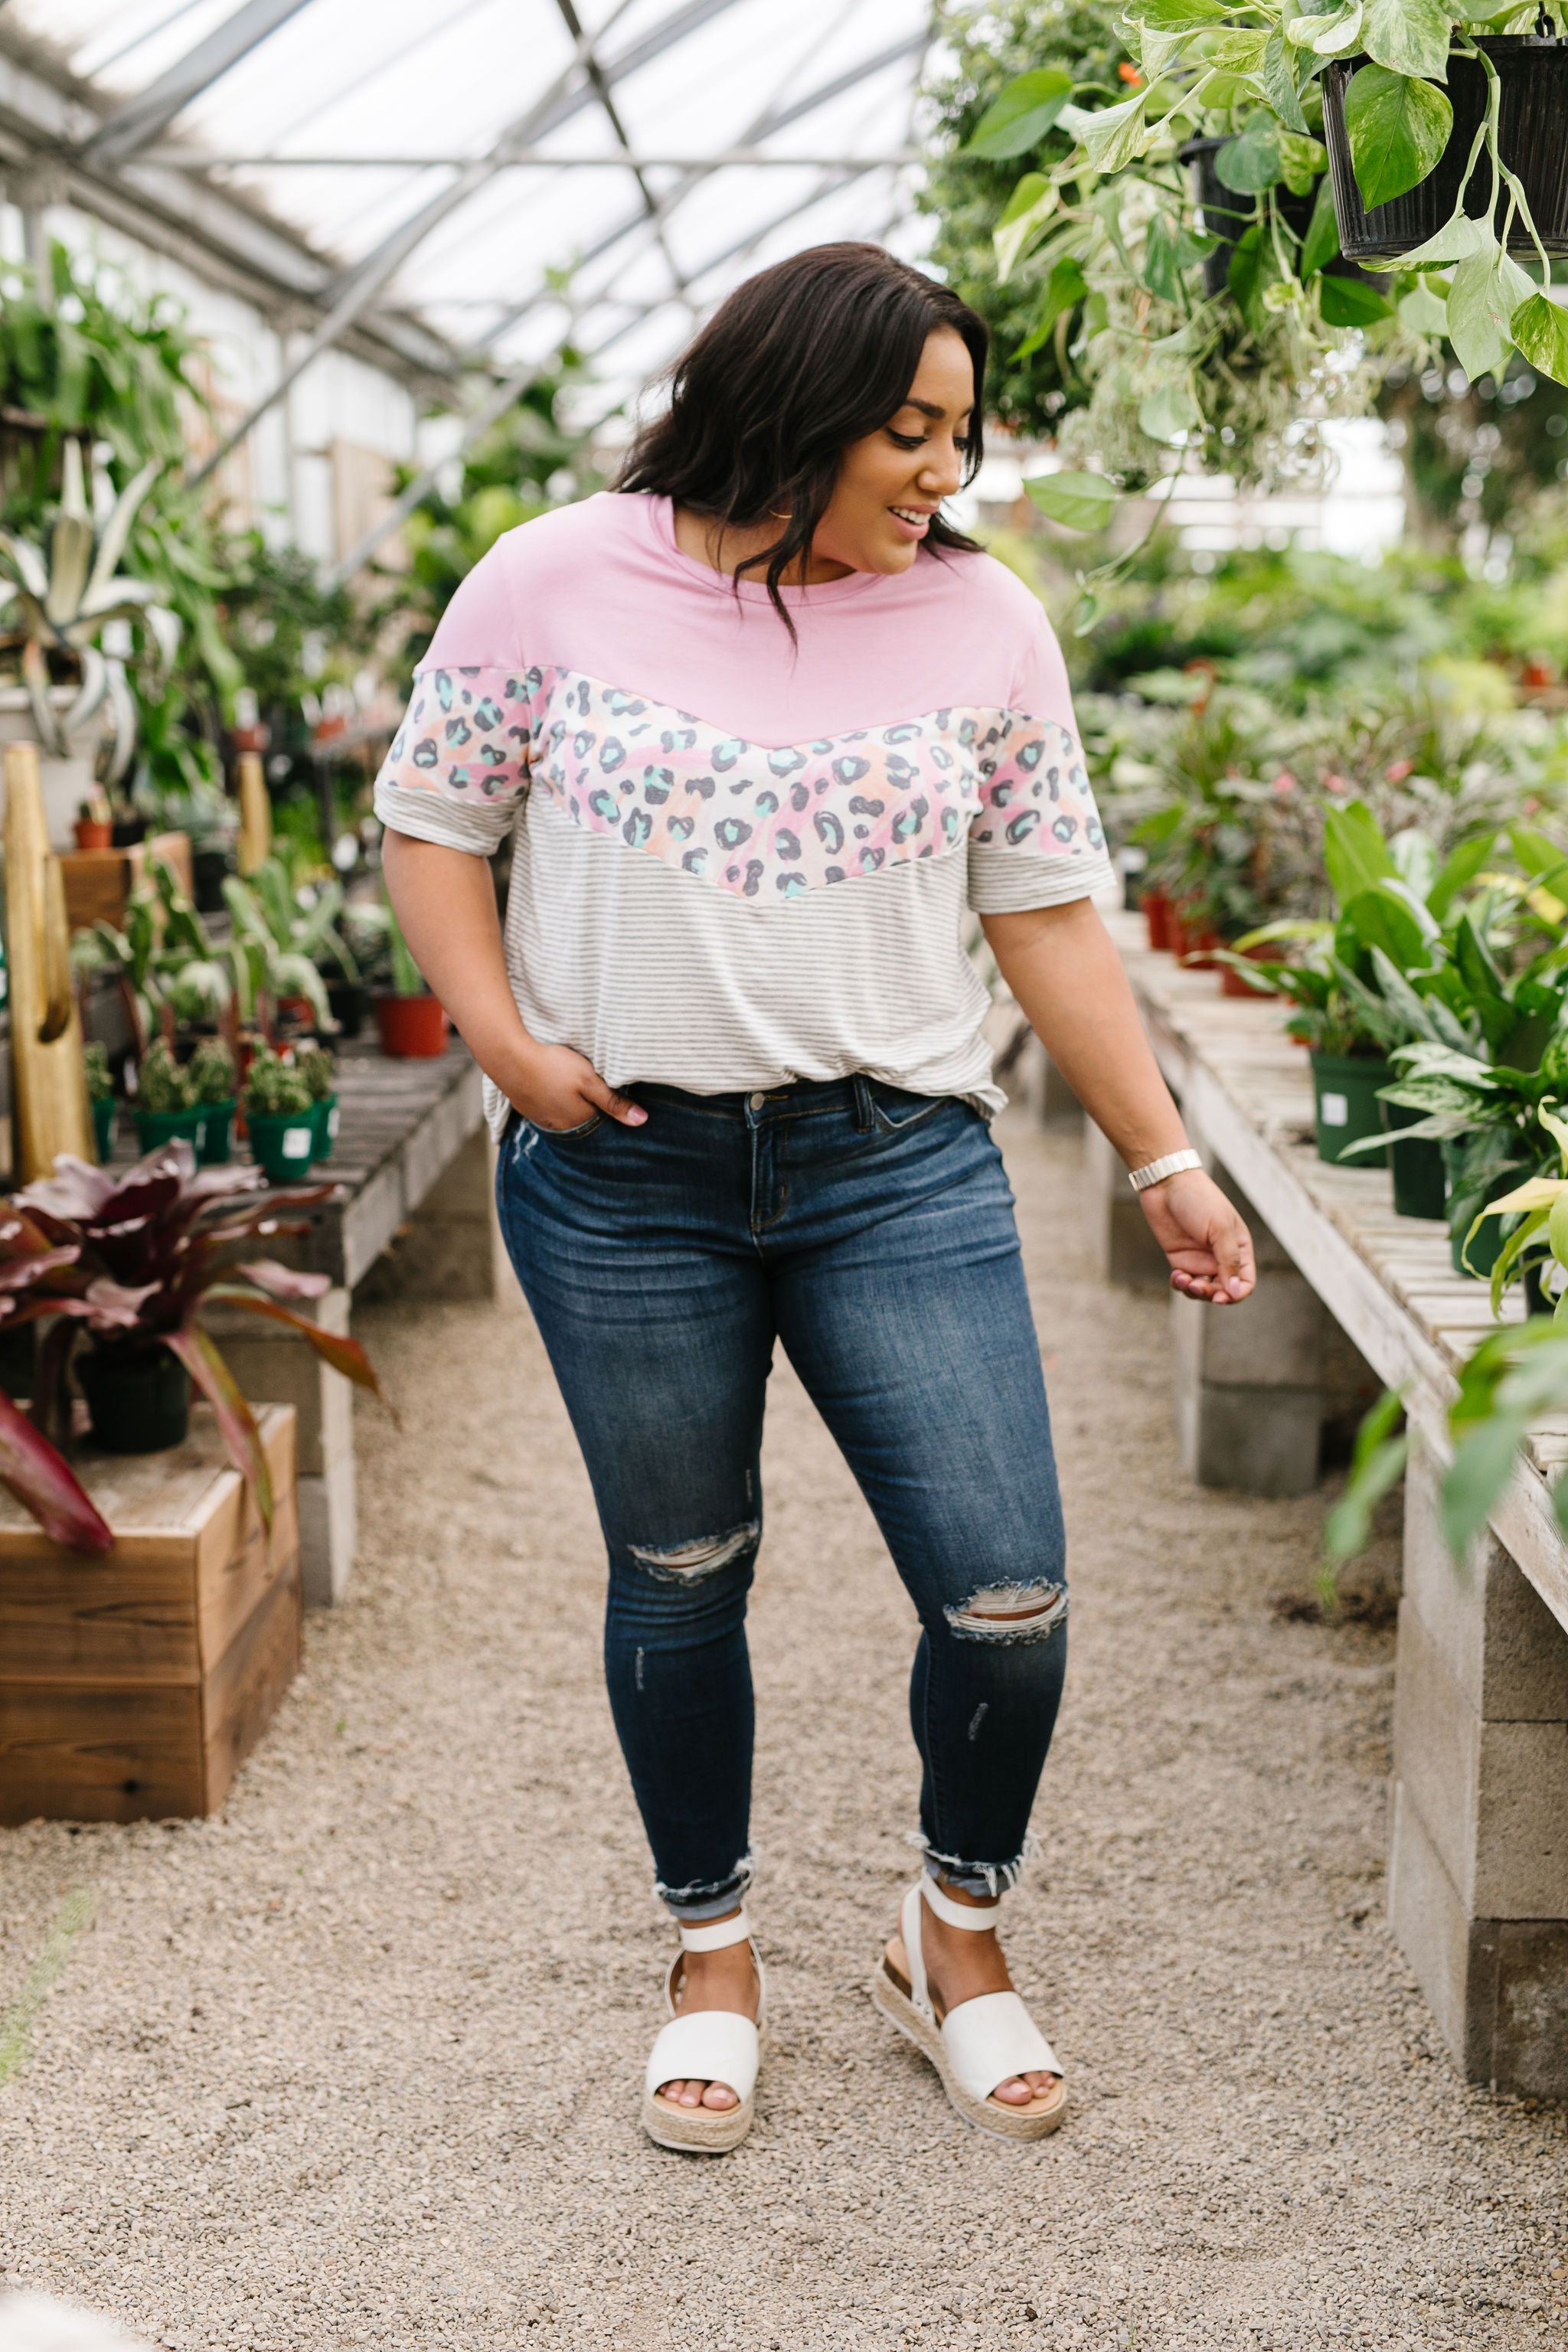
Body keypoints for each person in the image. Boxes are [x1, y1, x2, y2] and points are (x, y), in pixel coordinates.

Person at [375, 241, 1255, 2154]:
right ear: (788, 410)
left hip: (894, 1165)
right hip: (625, 1178)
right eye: (908, 430)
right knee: (682, 1581)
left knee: (1007, 1597)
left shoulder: (985, 622)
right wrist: (509, 1048)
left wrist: (1164, 1155)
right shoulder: (552, 576)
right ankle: (711, 1955)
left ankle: (950, 1927)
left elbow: (1042, 909)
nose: (943, 472)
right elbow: (433, 824)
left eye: (960, 432)